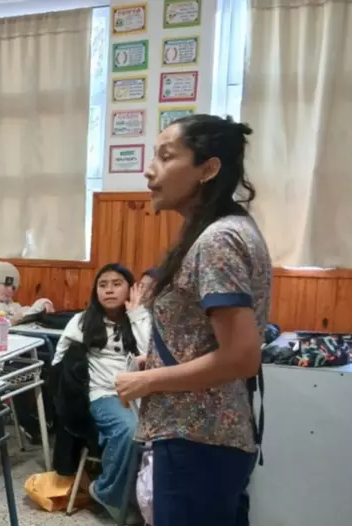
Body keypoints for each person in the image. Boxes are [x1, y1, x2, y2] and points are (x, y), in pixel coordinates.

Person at [116, 115, 269, 526]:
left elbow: (242, 356)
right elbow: (209, 341)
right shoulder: (225, 229)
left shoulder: (218, 239)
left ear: (208, 169)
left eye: (166, 157)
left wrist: (148, 381)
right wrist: (158, 361)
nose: (150, 170)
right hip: (206, 436)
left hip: (199, 437)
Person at [52, 263, 149, 524]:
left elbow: (149, 354)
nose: (109, 290)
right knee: (129, 430)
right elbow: (59, 362)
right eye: (103, 285)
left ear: (130, 289)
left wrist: (137, 314)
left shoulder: (141, 318)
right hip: (105, 394)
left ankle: (141, 496)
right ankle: (107, 492)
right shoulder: (82, 321)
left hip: (142, 394)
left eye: (117, 284)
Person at [0, 261, 55, 333]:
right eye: (6, 285)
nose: (10, 290)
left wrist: (44, 303)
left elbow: (26, 312)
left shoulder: (8, 304)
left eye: (13, 288)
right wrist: (10, 322)